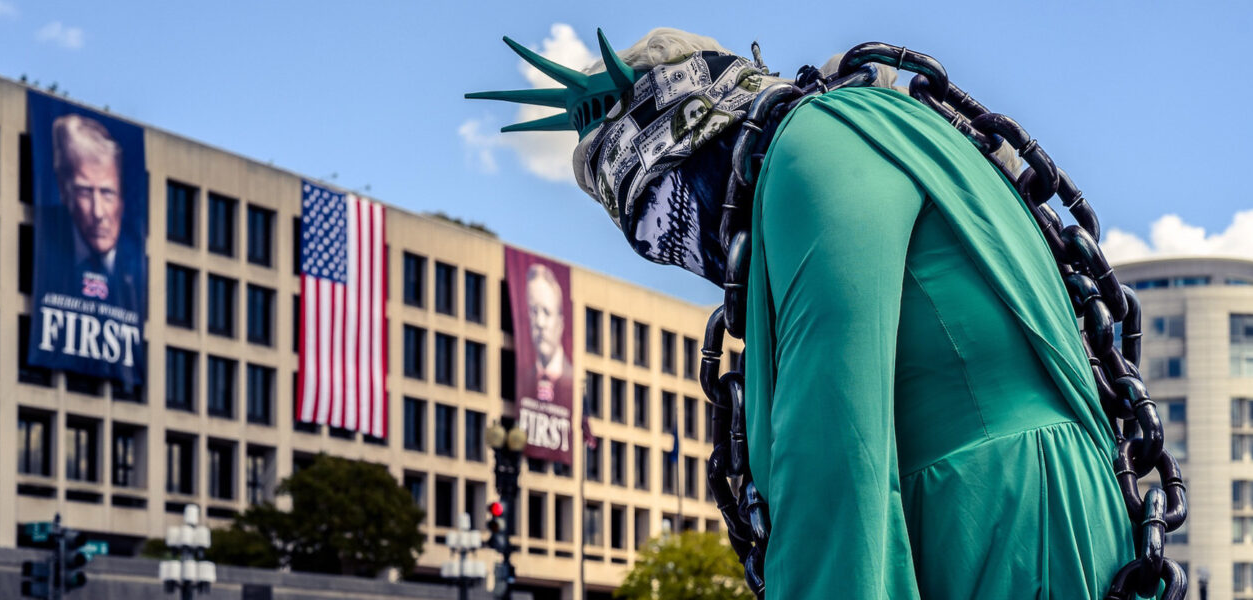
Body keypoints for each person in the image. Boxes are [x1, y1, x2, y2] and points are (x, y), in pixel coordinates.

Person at [470, 28, 1136, 599]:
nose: (679, 249)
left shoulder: (813, 151)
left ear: (697, 128)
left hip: (991, 520)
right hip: (1016, 509)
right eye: (651, 243)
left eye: (667, 214)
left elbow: (835, 450)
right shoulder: (866, 131)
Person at [51, 113, 136, 303]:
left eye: (107, 193)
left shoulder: (135, 269)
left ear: (122, 199)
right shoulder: (48, 253)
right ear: (65, 193)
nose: (98, 213)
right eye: (85, 192)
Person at [526, 263, 569, 399]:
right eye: (534, 311)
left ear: (560, 321)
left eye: (546, 312)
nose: (540, 323)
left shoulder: (573, 378)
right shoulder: (525, 376)